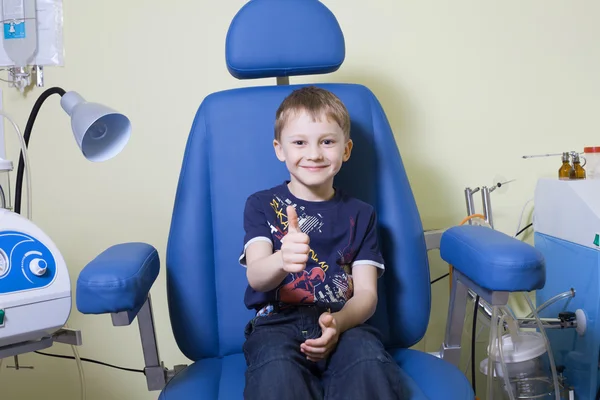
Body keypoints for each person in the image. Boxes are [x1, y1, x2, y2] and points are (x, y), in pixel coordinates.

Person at [239, 86, 406, 399]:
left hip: (344, 323)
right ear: (279, 149)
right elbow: (256, 275)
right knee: (276, 374)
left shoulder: (362, 214)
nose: (314, 154)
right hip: (276, 325)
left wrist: (338, 323)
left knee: (369, 363)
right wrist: (280, 260)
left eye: (327, 142)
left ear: (346, 149)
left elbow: (367, 294)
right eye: (299, 142)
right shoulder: (261, 205)